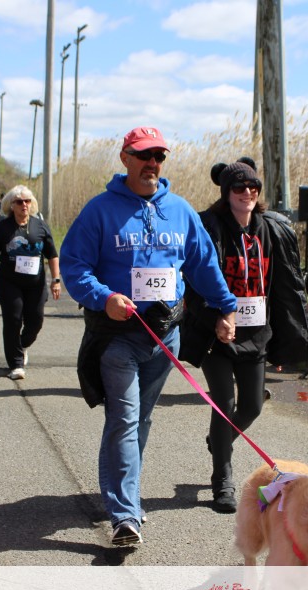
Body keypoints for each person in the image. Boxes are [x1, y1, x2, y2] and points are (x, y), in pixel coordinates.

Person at [59, 126, 238, 547]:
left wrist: (225, 307)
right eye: (143, 155)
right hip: (117, 336)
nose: (152, 163)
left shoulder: (180, 211)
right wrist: (103, 297)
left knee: (139, 419)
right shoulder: (100, 211)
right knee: (123, 419)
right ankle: (125, 514)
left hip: (165, 337)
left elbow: (203, 264)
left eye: (158, 156)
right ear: (125, 158)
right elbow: (74, 266)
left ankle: (124, 497)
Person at [179, 159, 308, 513]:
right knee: (223, 405)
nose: (248, 193)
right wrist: (215, 319)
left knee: (252, 406)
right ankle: (221, 480)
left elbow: (285, 289)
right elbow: (193, 283)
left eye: (253, 187)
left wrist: (286, 342)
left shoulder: (270, 230)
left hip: (256, 334)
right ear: (226, 193)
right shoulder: (209, 228)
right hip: (217, 335)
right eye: (239, 188)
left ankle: (219, 442)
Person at [0, 185, 60, 380]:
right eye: (19, 202)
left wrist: (56, 280)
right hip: (9, 282)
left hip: (36, 283)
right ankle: (16, 365)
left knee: (36, 321)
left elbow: (52, 254)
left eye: (27, 201)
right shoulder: (2, 227)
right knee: (13, 319)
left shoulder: (40, 226)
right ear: (11, 205)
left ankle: (21, 345)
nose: (24, 204)